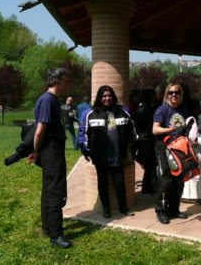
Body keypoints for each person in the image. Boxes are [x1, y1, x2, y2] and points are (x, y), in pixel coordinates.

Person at [28, 68, 72, 248]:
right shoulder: (47, 100)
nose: (67, 84)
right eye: (65, 81)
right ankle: (56, 235)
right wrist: (36, 151)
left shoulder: (52, 100)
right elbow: (39, 130)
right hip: (51, 150)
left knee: (48, 188)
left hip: (52, 149)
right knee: (55, 191)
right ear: (57, 81)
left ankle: (47, 227)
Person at [78, 85, 137, 218]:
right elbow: (83, 133)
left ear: (113, 97)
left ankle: (123, 207)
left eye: (109, 95)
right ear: (99, 97)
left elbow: (132, 130)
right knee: (102, 182)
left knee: (119, 182)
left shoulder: (123, 111)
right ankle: (106, 208)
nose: (107, 98)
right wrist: (86, 150)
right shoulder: (89, 114)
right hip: (100, 155)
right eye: (104, 96)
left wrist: (131, 148)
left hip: (118, 154)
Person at [153, 83, 190, 224]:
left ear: (181, 95)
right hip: (163, 147)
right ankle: (160, 211)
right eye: (171, 92)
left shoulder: (184, 110)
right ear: (167, 94)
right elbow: (155, 130)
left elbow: (187, 127)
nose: (174, 95)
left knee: (179, 179)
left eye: (177, 92)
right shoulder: (161, 110)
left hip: (179, 148)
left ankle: (174, 209)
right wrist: (171, 129)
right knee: (166, 178)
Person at [133, 88, 158, 194]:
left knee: (149, 164)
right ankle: (148, 187)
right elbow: (142, 124)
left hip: (145, 138)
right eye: (153, 95)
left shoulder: (142, 107)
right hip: (147, 139)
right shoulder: (146, 108)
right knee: (149, 164)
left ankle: (147, 187)